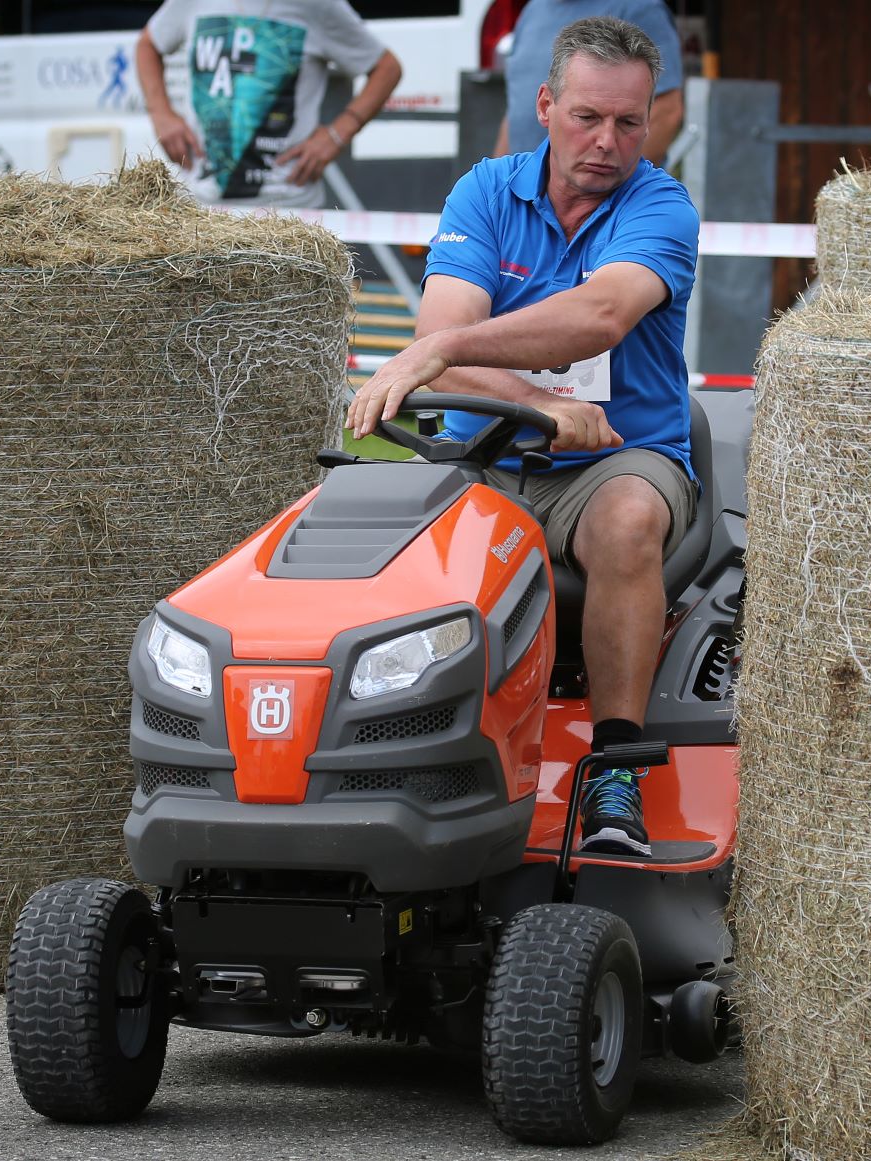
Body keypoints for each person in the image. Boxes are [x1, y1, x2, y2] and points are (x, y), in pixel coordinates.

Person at [349, 16, 699, 857]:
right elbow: (444, 335)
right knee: (378, 541)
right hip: (487, 458)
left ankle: (616, 770)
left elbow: (600, 316)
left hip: (622, 458)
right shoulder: (484, 190)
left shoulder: (662, 205)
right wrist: (530, 404)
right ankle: (400, 759)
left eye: (628, 122)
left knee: (624, 520)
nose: (608, 141)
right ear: (544, 105)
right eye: (587, 117)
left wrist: (445, 349)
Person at [136, 0, 403, 206]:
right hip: (200, 204)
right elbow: (148, 45)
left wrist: (337, 134)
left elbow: (386, 68)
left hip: (287, 208)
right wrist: (161, 114)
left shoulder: (318, 5)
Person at [493, 0, 685, 166]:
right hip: (530, 200)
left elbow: (666, 112)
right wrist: (503, 189)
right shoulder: (533, 9)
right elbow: (517, 110)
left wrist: (606, 194)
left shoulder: (639, 8)